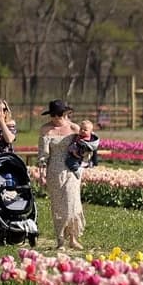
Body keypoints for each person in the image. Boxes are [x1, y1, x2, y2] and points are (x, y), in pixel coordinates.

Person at [36, 99, 84, 250]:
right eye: (53, 115)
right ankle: (60, 240)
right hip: (54, 170)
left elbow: (84, 147)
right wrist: (42, 169)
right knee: (58, 206)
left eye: (59, 115)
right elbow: (43, 153)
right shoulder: (46, 130)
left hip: (71, 170)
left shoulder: (75, 128)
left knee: (72, 203)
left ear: (65, 114)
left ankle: (73, 238)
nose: (56, 119)